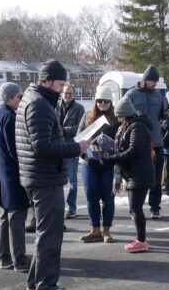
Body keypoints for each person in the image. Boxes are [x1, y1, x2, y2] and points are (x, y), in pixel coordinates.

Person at [15, 59, 90, 290]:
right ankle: (47, 287)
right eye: (59, 84)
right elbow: (43, 147)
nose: (61, 89)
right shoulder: (39, 105)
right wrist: (76, 148)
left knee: (46, 232)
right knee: (50, 234)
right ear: (47, 80)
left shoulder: (33, 99)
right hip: (44, 178)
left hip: (39, 176)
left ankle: (36, 283)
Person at [0, 82, 29, 271]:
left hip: (3, 173)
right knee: (17, 217)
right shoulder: (10, 118)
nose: (21, 100)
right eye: (20, 97)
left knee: (6, 216)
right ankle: (19, 259)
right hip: (15, 174)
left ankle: (4, 257)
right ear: (11, 97)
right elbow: (16, 150)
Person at [117, 65, 168, 218]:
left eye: (156, 82)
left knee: (156, 178)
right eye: (153, 81)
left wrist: (167, 113)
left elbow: (162, 115)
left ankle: (155, 208)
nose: (155, 84)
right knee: (135, 178)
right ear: (145, 80)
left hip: (156, 143)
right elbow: (122, 114)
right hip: (137, 143)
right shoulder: (132, 94)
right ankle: (134, 209)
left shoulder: (158, 96)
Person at [78, 85, 119, 243]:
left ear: (111, 102)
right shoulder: (88, 116)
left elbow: (121, 139)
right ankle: (95, 229)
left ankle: (106, 230)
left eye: (106, 101)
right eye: (99, 101)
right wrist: (84, 151)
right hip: (90, 164)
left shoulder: (115, 118)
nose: (102, 104)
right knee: (91, 197)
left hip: (108, 165)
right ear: (95, 101)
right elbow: (79, 136)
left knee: (108, 198)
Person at [113, 99, 155, 252]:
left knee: (135, 208)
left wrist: (113, 158)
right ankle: (141, 239)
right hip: (134, 173)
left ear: (126, 115)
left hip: (140, 173)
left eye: (120, 116)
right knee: (134, 208)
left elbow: (134, 150)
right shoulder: (127, 126)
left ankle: (141, 241)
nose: (118, 119)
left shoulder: (138, 127)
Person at [57, 82, 85, 219]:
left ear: (73, 94)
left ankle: (71, 208)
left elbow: (80, 128)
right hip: (55, 148)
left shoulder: (79, 108)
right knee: (55, 181)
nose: (67, 95)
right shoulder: (54, 106)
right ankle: (57, 208)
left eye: (70, 93)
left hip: (71, 148)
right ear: (62, 93)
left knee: (72, 181)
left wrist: (62, 131)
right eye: (65, 93)